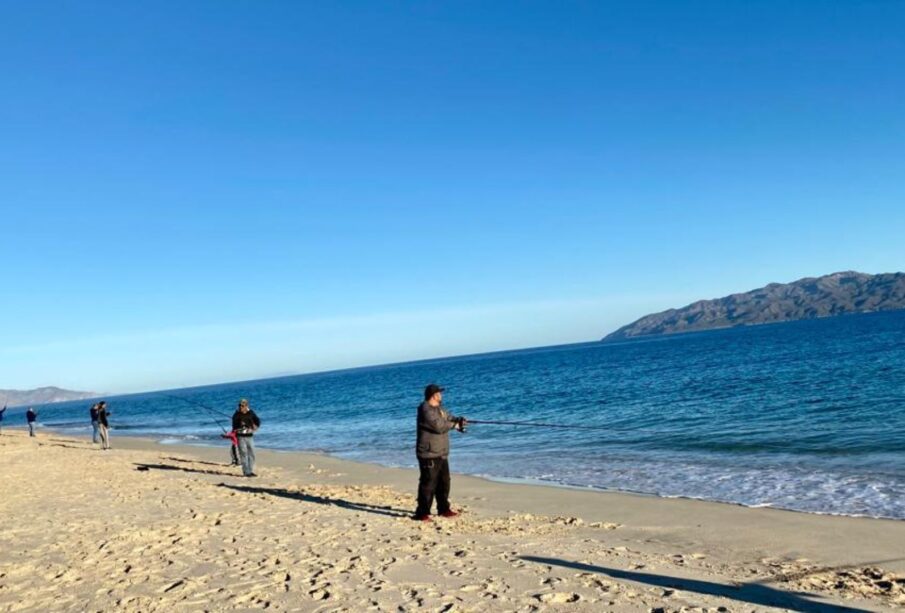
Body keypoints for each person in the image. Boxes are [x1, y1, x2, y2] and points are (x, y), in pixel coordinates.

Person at [414, 384, 466, 522]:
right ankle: (422, 513)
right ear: (434, 395)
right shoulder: (425, 409)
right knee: (428, 484)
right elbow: (438, 426)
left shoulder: (440, 409)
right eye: (439, 393)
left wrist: (459, 421)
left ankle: (443, 509)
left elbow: (448, 418)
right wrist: (454, 426)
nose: (441, 395)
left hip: (441, 452)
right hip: (429, 453)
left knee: (444, 482)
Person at [232, 399, 260, 477]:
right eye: (240, 405)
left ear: (246, 406)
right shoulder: (236, 414)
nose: (241, 407)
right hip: (240, 437)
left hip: (249, 436)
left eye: (243, 405)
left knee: (252, 454)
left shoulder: (251, 413)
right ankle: (246, 472)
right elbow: (234, 426)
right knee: (243, 454)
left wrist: (255, 428)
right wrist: (239, 426)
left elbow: (257, 421)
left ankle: (250, 470)